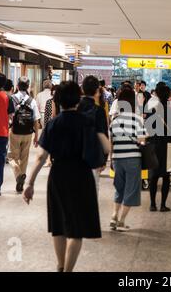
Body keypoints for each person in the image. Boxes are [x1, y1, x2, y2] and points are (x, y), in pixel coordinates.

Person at [23, 81, 101, 272]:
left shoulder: (53, 124)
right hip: (82, 176)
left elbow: (41, 156)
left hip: (58, 176)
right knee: (77, 229)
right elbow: (95, 156)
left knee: (58, 225)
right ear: (78, 98)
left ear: (57, 100)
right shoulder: (87, 122)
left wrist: (29, 183)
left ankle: (59, 266)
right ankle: (68, 270)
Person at [109, 86, 146, 229]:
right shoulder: (137, 120)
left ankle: (113, 216)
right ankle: (121, 220)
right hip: (133, 159)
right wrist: (144, 138)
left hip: (117, 159)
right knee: (131, 190)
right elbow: (142, 141)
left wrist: (112, 160)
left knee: (119, 189)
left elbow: (111, 142)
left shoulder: (115, 121)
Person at [77, 75, 111, 195]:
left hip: (75, 157)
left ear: (82, 90)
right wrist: (104, 159)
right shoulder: (99, 111)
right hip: (93, 156)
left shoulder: (75, 108)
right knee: (92, 192)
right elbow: (103, 134)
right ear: (97, 91)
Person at [8, 77, 41, 193]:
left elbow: (8, 116)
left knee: (12, 157)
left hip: (15, 132)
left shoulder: (12, 99)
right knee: (24, 158)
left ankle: (18, 175)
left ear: (17, 86)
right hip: (28, 133)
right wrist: (36, 136)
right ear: (28, 87)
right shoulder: (31, 100)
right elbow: (36, 120)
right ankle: (22, 176)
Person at [148, 84, 171, 211]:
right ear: (169, 95)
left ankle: (152, 204)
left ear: (157, 95)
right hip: (167, 147)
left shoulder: (153, 111)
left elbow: (148, 130)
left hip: (154, 146)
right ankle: (163, 205)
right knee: (166, 176)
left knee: (153, 176)